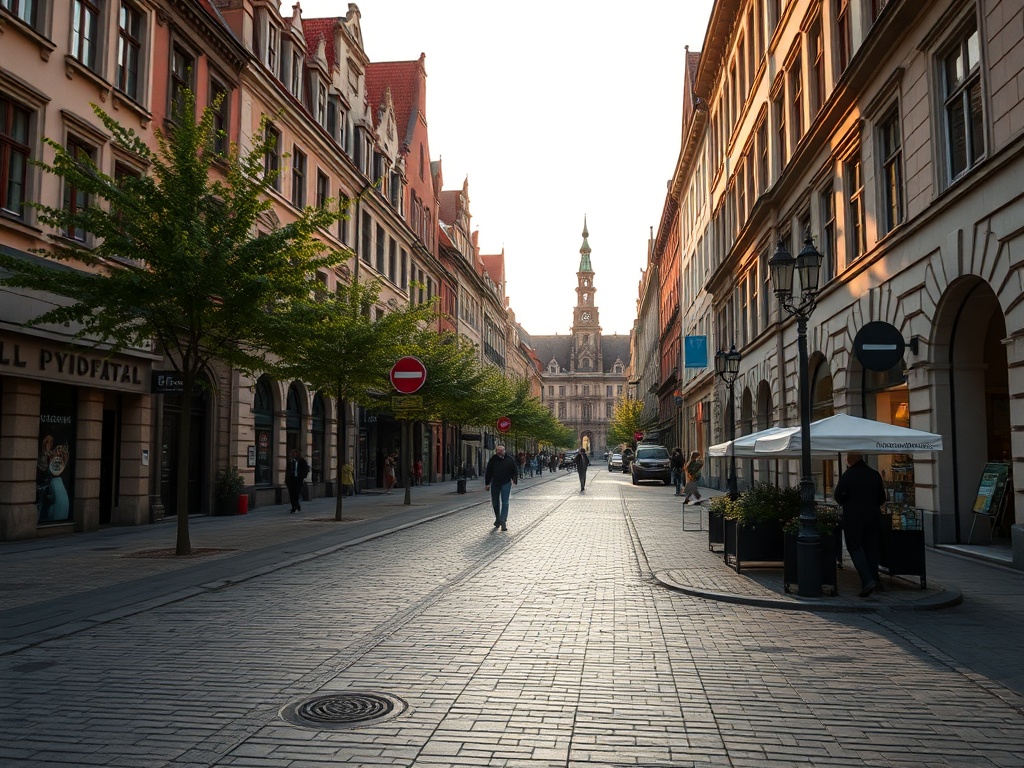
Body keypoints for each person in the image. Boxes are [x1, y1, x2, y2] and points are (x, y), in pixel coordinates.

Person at [833, 451, 887, 597]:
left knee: (855, 547)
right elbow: (882, 498)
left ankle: (867, 580)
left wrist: (847, 502)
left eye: (847, 458)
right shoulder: (874, 474)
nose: (846, 460)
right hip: (874, 517)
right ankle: (875, 579)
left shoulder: (848, 475)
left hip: (854, 518)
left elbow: (838, 496)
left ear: (852, 459)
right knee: (871, 548)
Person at [484, 443, 518, 531]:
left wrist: (514, 480)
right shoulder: (493, 459)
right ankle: (498, 518)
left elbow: (515, 470)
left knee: (505, 502)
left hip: (506, 483)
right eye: (498, 450)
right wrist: (487, 483)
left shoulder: (510, 459)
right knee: (495, 502)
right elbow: (489, 471)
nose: (500, 452)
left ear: (504, 451)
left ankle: (503, 521)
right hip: (495, 483)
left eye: (502, 450)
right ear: (496, 451)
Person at [285, 448, 309, 513]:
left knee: (296, 493)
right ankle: (294, 506)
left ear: (298, 454)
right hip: (291, 480)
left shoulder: (302, 461)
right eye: (293, 454)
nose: (294, 455)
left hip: (298, 480)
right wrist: (287, 479)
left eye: (295, 454)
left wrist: (302, 476)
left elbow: (306, 469)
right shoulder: (290, 461)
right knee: (291, 494)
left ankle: (295, 507)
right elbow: (287, 470)